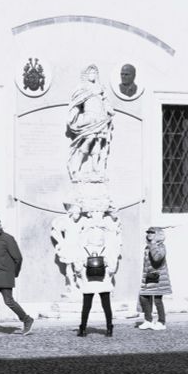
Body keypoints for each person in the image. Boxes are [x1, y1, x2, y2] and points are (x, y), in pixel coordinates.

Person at [0, 216, 34, 337]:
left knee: (8, 301)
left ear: (0, 225)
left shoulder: (8, 239)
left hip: (4, 275)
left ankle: (27, 319)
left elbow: (18, 258)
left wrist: (14, 273)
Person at [66, 64, 116, 182]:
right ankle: (76, 167)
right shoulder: (82, 88)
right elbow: (78, 104)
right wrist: (72, 115)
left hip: (101, 118)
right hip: (89, 117)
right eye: (90, 73)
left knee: (98, 140)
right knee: (90, 138)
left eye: (94, 73)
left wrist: (110, 110)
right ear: (86, 75)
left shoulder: (101, 87)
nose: (92, 75)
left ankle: (95, 168)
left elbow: (105, 102)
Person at [76, 208, 121, 338]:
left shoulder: (83, 250)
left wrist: (83, 268)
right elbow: (112, 269)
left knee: (86, 306)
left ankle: (83, 328)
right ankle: (109, 328)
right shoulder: (108, 249)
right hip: (104, 280)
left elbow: (78, 269)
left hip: (88, 281)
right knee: (106, 305)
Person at [138, 227, 171, 330]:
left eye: (152, 232)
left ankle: (161, 322)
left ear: (158, 234)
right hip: (149, 276)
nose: (149, 234)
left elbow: (157, 258)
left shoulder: (161, 246)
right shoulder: (147, 247)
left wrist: (153, 244)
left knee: (157, 300)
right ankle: (148, 320)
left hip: (158, 276)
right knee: (144, 297)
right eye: (148, 232)